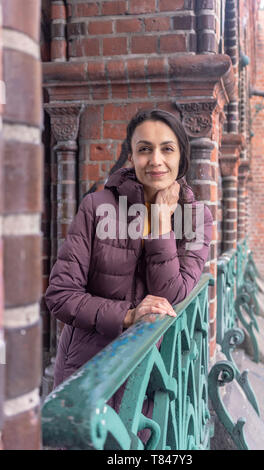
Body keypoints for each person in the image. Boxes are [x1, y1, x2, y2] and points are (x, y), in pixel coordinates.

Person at [44, 108, 213, 390]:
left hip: (153, 377)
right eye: (145, 149)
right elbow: (61, 296)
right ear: (131, 156)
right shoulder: (97, 207)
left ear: (181, 156)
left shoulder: (196, 218)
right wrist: (128, 315)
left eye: (167, 149)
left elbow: (171, 294)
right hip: (88, 372)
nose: (156, 160)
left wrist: (160, 224)